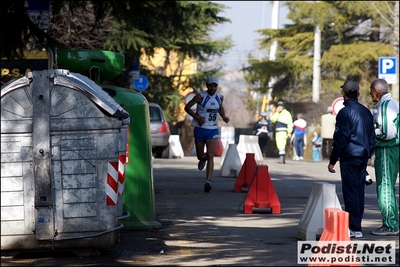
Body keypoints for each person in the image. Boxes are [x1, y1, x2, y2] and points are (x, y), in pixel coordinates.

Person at [327, 80, 375, 239]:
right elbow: (372, 137)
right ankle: (357, 225)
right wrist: (367, 154)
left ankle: (354, 228)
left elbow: (341, 138)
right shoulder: (366, 112)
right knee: (359, 192)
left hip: (349, 157)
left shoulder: (344, 113)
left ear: (343, 94)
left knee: (350, 192)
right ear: (359, 94)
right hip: (362, 157)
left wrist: (333, 160)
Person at [184, 76, 230, 193]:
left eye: (215, 86)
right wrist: (197, 118)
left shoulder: (220, 97)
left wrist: (224, 117)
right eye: (211, 85)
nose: (213, 88)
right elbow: (187, 107)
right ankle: (202, 159)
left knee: (211, 154)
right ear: (207, 85)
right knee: (201, 156)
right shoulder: (200, 96)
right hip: (200, 129)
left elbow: (220, 108)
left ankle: (208, 181)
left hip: (213, 130)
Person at [369, 78, 399, 236]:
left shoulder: (385, 106)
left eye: (371, 91)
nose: (370, 94)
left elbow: (388, 133)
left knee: (385, 187)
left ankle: (390, 225)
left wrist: (371, 133)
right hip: (395, 150)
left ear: (376, 92)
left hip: (387, 149)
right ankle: (392, 222)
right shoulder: (395, 104)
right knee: (390, 187)